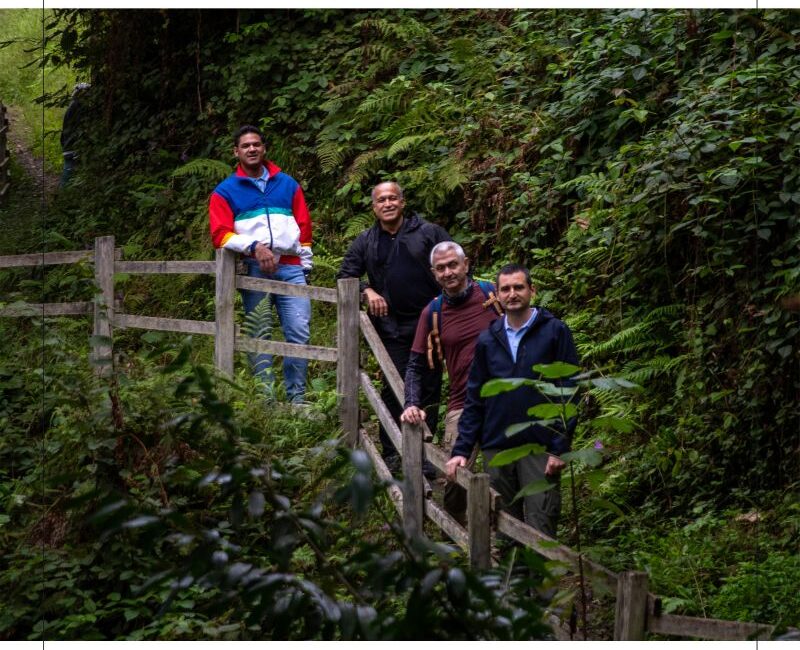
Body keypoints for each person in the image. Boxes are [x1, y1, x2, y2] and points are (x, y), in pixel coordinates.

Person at [445, 263, 579, 538]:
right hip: (498, 448)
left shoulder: (555, 332)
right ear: (496, 294)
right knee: (504, 528)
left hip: (540, 446)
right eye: (505, 289)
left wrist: (559, 447)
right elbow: (475, 399)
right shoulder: (487, 340)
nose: (512, 293)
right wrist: (461, 450)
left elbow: (568, 389)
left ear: (532, 290)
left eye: (519, 287)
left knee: (542, 526)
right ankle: (512, 582)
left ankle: (543, 583)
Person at [337, 181, 451, 474]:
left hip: (430, 324)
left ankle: (424, 454)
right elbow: (345, 275)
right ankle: (392, 451)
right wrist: (366, 291)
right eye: (381, 200)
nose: (387, 204)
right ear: (374, 207)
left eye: (392, 198)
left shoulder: (428, 233)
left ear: (402, 202)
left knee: (429, 386)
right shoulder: (366, 241)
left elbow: (454, 267)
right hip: (391, 328)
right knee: (393, 385)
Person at [209, 125, 313, 403]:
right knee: (260, 333)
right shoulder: (225, 191)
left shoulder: (288, 184)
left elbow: (304, 227)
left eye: (256, 144)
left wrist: (306, 266)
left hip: (291, 269)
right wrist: (254, 247)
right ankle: (266, 402)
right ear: (236, 152)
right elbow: (220, 234)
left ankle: (297, 400)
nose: (252, 149)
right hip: (254, 269)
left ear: (264, 148)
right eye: (246, 146)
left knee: (299, 333)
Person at [400, 241, 502, 523]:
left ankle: (499, 543)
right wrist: (411, 402)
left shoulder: (493, 294)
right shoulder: (433, 312)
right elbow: (416, 365)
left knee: (501, 477)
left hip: (503, 401)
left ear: (466, 265)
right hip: (463, 403)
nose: (448, 272)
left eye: (453, 265)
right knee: (455, 478)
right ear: (434, 273)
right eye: (441, 268)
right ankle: (459, 534)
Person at [60, 82, 91, 187]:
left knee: (71, 173)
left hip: (69, 143)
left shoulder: (74, 105)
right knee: (68, 172)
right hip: (71, 144)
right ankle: (62, 196)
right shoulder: (77, 106)